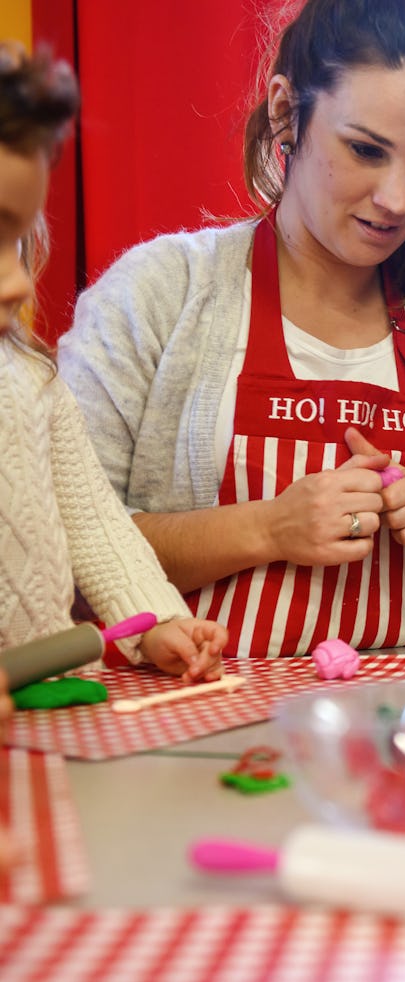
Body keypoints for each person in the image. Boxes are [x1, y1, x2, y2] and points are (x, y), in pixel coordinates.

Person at [58, 0, 405, 659]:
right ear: (287, 111)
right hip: (200, 729)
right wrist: (267, 528)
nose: (398, 198)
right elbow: (65, 552)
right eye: (366, 150)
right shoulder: (159, 294)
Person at [0, 41, 228, 683]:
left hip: (53, 697)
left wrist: (158, 624)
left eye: (17, 241)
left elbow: (96, 523)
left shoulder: (31, 381)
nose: (18, 282)